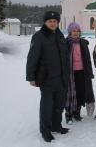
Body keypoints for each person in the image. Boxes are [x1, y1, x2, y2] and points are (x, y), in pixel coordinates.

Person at [26, 11, 70, 142]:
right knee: (47, 106)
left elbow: (66, 57)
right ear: (45, 22)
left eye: (55, 21)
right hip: (47, 78)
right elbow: (32, 57)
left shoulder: (60, 36)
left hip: (62, 78)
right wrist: (31, 77)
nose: (52, 23)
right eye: (50, 21)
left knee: (59, 105)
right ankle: (45, 131)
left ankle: (56, 126)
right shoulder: (39, 36)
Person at [65, 22, 95, 124]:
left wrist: (90, 72)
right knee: (70, 94)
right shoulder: (66, 43)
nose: (76, 33)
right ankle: (69, 115)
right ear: (69, 32)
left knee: (80, 93)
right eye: (73, 31)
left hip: (82, 72)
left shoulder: (83, 43)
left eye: (78, 31)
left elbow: (87, 60)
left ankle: (77, 113)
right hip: (70, 73)